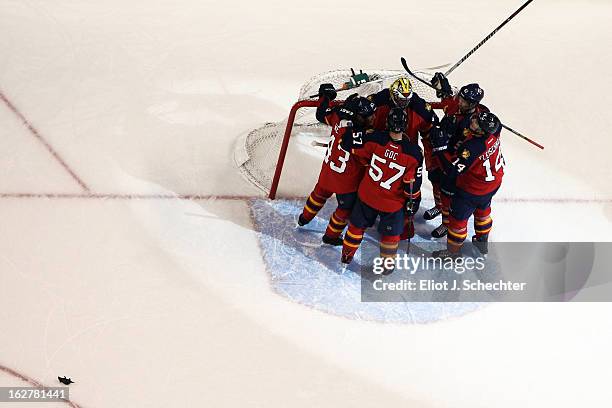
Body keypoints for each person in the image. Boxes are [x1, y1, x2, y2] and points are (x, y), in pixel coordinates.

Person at [339, 107, 423, 273]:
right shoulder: (414, 153)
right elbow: (411, 185)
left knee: (356, 227)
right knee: (390, 237)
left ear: (387, 122)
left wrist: (350, 126)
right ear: (405, 126)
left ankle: (346, 257)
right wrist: (413, 202)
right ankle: (387, 267)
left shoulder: (373, 138)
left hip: (367, 195)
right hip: (392, 204)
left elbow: (346, 143)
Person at [297, 84, 376, 246]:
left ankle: (304, 218)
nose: (373, 118)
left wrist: (325, 97)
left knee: (318, 195)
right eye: (368, 116)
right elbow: (367, 159)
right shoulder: (363, 138)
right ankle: (331, 236)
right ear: (359, 117)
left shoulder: (338, 118)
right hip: (346, 182)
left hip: (327, 173)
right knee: (345, 210)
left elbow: (321, 114)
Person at [429, 111, 505, 257]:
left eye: (477, 122)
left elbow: (450, 171)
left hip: (471, 191)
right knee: (483, 212)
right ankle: (482, 241)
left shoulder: (471, 148)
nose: (473, 120)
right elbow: (498, 124)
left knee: (457, 222)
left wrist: (439, 149)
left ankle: (453, 253)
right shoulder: (495, 132)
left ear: (482, 131)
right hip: (492, 184)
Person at [425, 72, 490, 239]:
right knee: (435, 182)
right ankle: (438, 207)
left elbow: (466, 147)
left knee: (447, 193)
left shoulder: (475, 122)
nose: (459, 102)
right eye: (460, 98)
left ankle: (446, 223)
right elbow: (448, 102)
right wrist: (443, 90)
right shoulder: (459, 105)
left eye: (463, 101)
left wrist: (445, 137)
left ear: (473, 104)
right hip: (439, 155)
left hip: (452, 161)